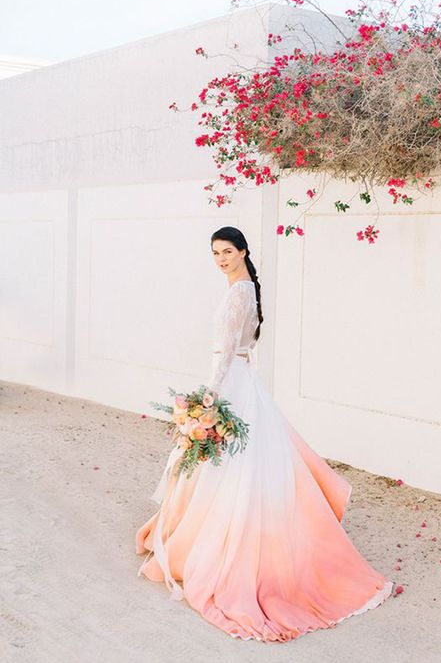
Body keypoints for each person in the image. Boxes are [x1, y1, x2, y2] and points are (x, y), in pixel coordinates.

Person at [135, 225, 393, 643]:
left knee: (227, 466)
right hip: (243, 378)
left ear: (243, 251)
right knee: (241, 466)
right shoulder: (247, 287)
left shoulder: (239, 292)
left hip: (231, 381)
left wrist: (208, 400)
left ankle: (218, 546)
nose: (220, 259)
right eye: (215, 253)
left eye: (227, 252)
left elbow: (226, 349)